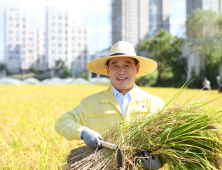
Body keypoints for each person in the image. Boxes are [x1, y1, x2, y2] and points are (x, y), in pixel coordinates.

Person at [55, 41, 165, 170]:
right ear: (108, 70)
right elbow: (62, 122)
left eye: (127, 65)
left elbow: (171, 143)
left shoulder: (156, 104)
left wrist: (159, 164)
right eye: (115, 66)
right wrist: (84, 132)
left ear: (137, 68)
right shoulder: (90, 103)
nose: (121, 71)